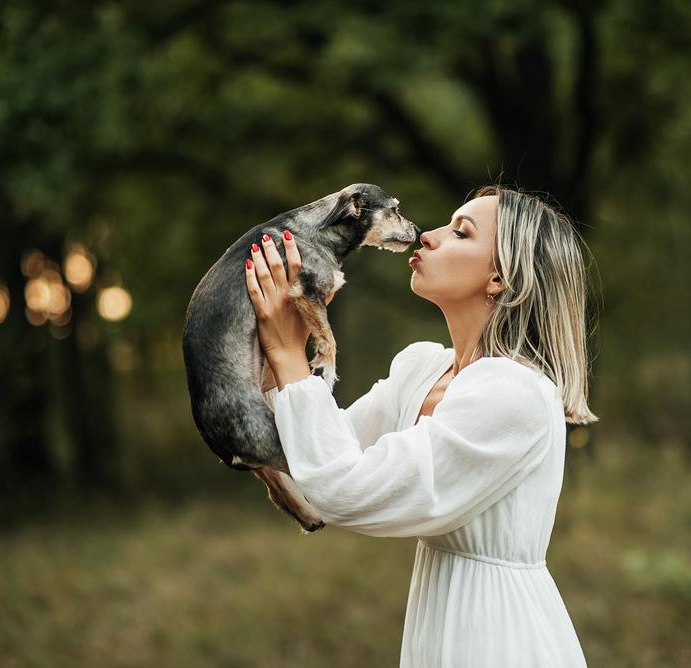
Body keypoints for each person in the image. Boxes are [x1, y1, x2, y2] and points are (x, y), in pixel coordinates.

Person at [244, 183, 599, 667]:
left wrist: (290, 357)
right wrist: (272, 365)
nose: (426, 236)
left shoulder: (514, 394)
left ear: (499, 276)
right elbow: (309, 476)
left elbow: (343, 488)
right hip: (438, 628)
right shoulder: (421, 368)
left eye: (461, 233)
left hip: (501, 638)